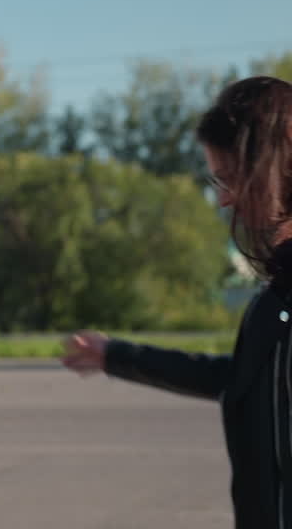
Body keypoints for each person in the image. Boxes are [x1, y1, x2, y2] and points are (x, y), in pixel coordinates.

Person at [61, 75, 292, 528]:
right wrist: (117, 356)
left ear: (275, 169)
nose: (224, 199)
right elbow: (240, 380)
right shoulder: (276, 294)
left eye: (231, 179)